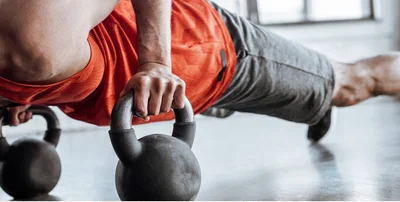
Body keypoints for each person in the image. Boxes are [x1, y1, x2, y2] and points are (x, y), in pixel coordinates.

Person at [1, 0, 400, 142]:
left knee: (351, 83)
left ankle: (321, 95)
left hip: (210, 52)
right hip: (168, 96)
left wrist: (156, 62)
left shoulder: (33, 36)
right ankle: (311, 102)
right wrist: (18, 98)